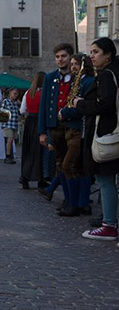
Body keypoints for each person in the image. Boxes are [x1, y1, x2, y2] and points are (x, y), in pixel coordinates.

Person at [76, 38, 119, 240]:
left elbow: (105, 105)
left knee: (105, 179)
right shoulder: (113, 72)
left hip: (108, 134)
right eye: (91, 52)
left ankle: (109, 225)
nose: (91, 56)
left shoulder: (108, 75)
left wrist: (81, 104)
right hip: (111, 132)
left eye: (96, 52)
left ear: (108, 54)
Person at [56, 54, 95, 216]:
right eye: (71, 64)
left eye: (76, 64)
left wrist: (65, 112)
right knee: (77, 168)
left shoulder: (88, 82)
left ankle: (74, 204)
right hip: (70, 129)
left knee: (68, 166)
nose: (72, 67)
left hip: (79, 129)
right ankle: (80, 203)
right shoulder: (76, 81)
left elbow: (83, 108)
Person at [38, 43, 74, 209]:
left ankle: (73, 200)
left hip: (72, 127)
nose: (60, 60)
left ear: (70, 57)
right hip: (55, 127)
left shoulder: (77, 77)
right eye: (58, 57)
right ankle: (67, 199)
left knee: (70, 165)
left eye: (64, 56)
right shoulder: (50, 77)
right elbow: (44, 106)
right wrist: (42, 132)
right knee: (59, 164)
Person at [19, 72, 46, 189]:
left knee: (28, 150)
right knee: (40, 151)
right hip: (41, 121)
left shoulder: (28, 93)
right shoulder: (45, 93)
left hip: (30, 122)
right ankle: (41, 178)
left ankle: (25, 177)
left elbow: (22, 110)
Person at [1, 88, 21, 164]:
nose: (15, 95)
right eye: (14, 93)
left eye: (17, 94)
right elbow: (2, 112)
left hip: (14, 124)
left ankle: (10, 155)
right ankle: (8, 156)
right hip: (8, 124)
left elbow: (18, 112)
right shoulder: (6, 101)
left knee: (11, 140)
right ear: (10, 93)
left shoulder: (16, 103)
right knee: (9, 139)